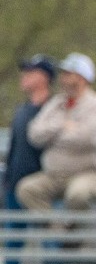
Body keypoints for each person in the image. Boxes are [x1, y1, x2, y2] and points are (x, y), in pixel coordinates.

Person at [19, 54, 96, 212]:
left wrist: (53, 138)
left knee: (78, 194)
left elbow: (89, 138)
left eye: (68, 74)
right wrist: (62, 126)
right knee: (26, 189)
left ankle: (73, 233)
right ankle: (57, 230)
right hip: (55, 175)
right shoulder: (57, 103)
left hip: (87, 174)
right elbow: (34, 134)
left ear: (82, 78)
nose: (62, 78)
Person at [7, 56, 55, 209]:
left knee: (44, 230)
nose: (24, 76)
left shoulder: (55, 110)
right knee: (14, 231)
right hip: (14, 185)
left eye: (30, 72)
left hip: (40, 190)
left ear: (44, 77)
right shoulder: (22, 110)